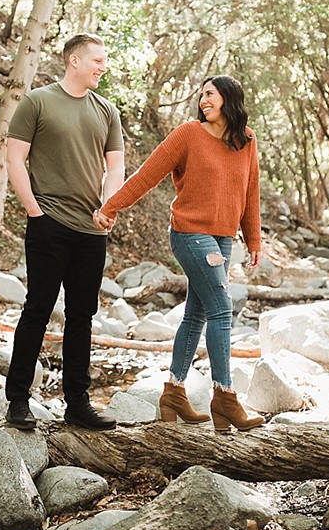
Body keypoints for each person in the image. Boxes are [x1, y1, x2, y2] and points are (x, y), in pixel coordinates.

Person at [96, 75, 267, 431]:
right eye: (201, 94)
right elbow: (148, 174)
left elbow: (250, 193)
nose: (204, 100)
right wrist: (111, 206)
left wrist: (253, 241)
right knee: (222, 308)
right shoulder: (188, 134)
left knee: (197, 313)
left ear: (230, 99)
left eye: (211, 94)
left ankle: (173, 392)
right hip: (190, 234)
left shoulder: (245, 140)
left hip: (223, 240)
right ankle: (225, 397)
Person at [2, 31, 125, 433]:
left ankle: (77, 403)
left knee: (81, 317)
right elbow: (15, 159)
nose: (103, 68)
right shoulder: (38, 101)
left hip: (92, 231)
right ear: (74, 60)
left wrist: (108, 208)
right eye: (97, 61)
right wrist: (34, 211)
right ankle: (18, 401)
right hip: (48, 223)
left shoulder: (107, 111)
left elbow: (116, 167)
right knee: (37, 309)